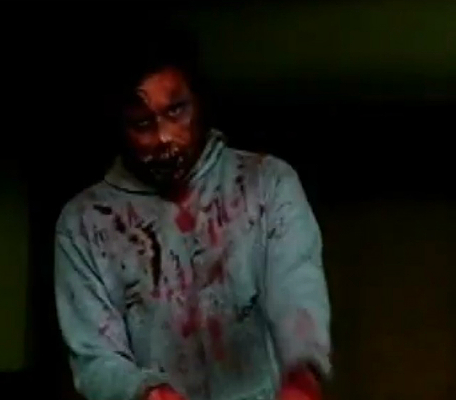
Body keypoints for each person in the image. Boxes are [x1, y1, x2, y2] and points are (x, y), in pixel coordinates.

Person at [54, 23, 331, 400]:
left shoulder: (266, 183)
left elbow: (296, 288)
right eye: (142, 124)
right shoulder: (84, 224)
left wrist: (302, 375)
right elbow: (94, 358)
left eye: (177, 110)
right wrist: (147, 392)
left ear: (200, 102)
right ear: (118, 125)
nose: (165, 137)